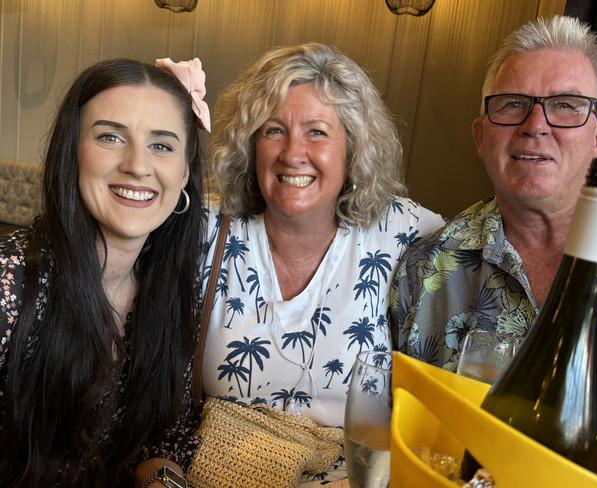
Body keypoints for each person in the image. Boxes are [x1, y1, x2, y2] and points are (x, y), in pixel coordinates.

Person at [390, 15, 597, 442]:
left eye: (566, 105)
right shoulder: (425, 268)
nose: (535, 125)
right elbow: (403, 430)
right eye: (512, 104)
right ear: (481, 136)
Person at [200, 42, 444, 481]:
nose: (293, 153)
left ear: (353, 149)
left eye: (316, 131)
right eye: (273, 130)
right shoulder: (204, 231)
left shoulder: (408, 234)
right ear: (249, 145)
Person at [0, 57, 209, 486]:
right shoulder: (10, 280)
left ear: (184, 172)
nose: (137, 164)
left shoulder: (169, 293)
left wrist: (163, 482)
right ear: (71, 151)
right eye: (111, 137)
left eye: (162, 145)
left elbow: (164, 439)